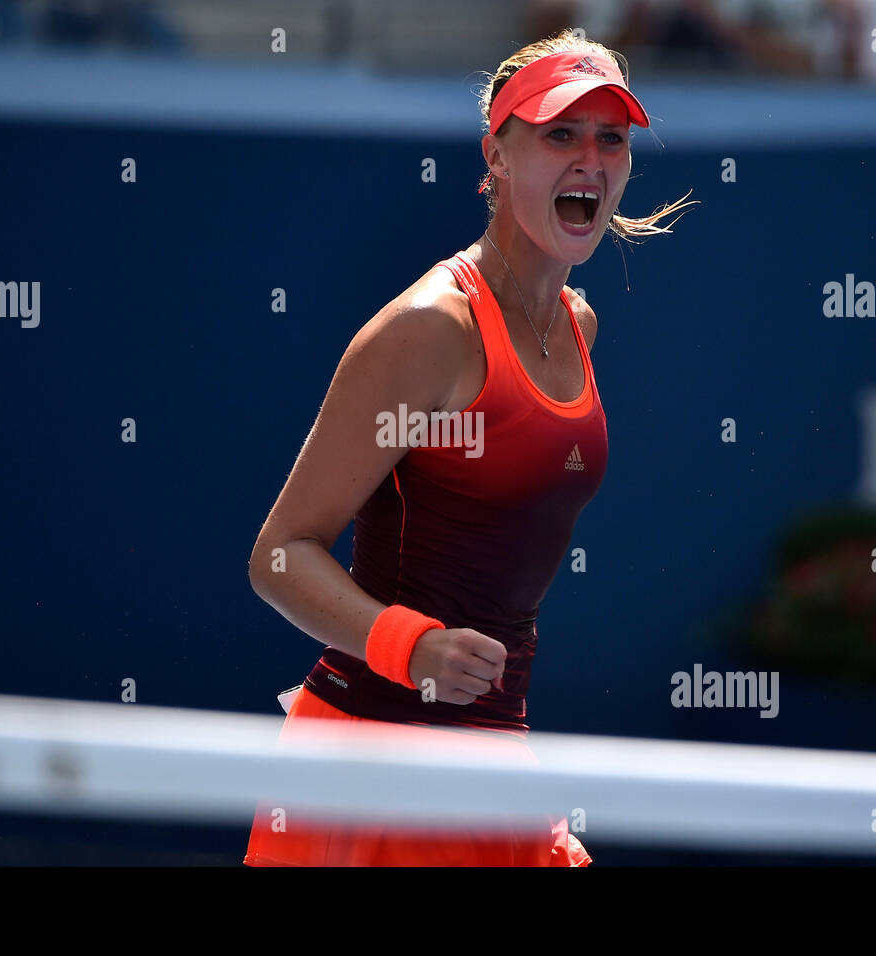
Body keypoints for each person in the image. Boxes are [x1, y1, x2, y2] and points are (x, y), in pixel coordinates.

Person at [243, 28, 696, 867]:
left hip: (491, 761)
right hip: (373, 765)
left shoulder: (578, 326)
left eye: (611, 137)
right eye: (560, 133)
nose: (591, 159)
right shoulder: (429, 331)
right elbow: (277, 555)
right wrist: (406, 645)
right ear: (497, 152)